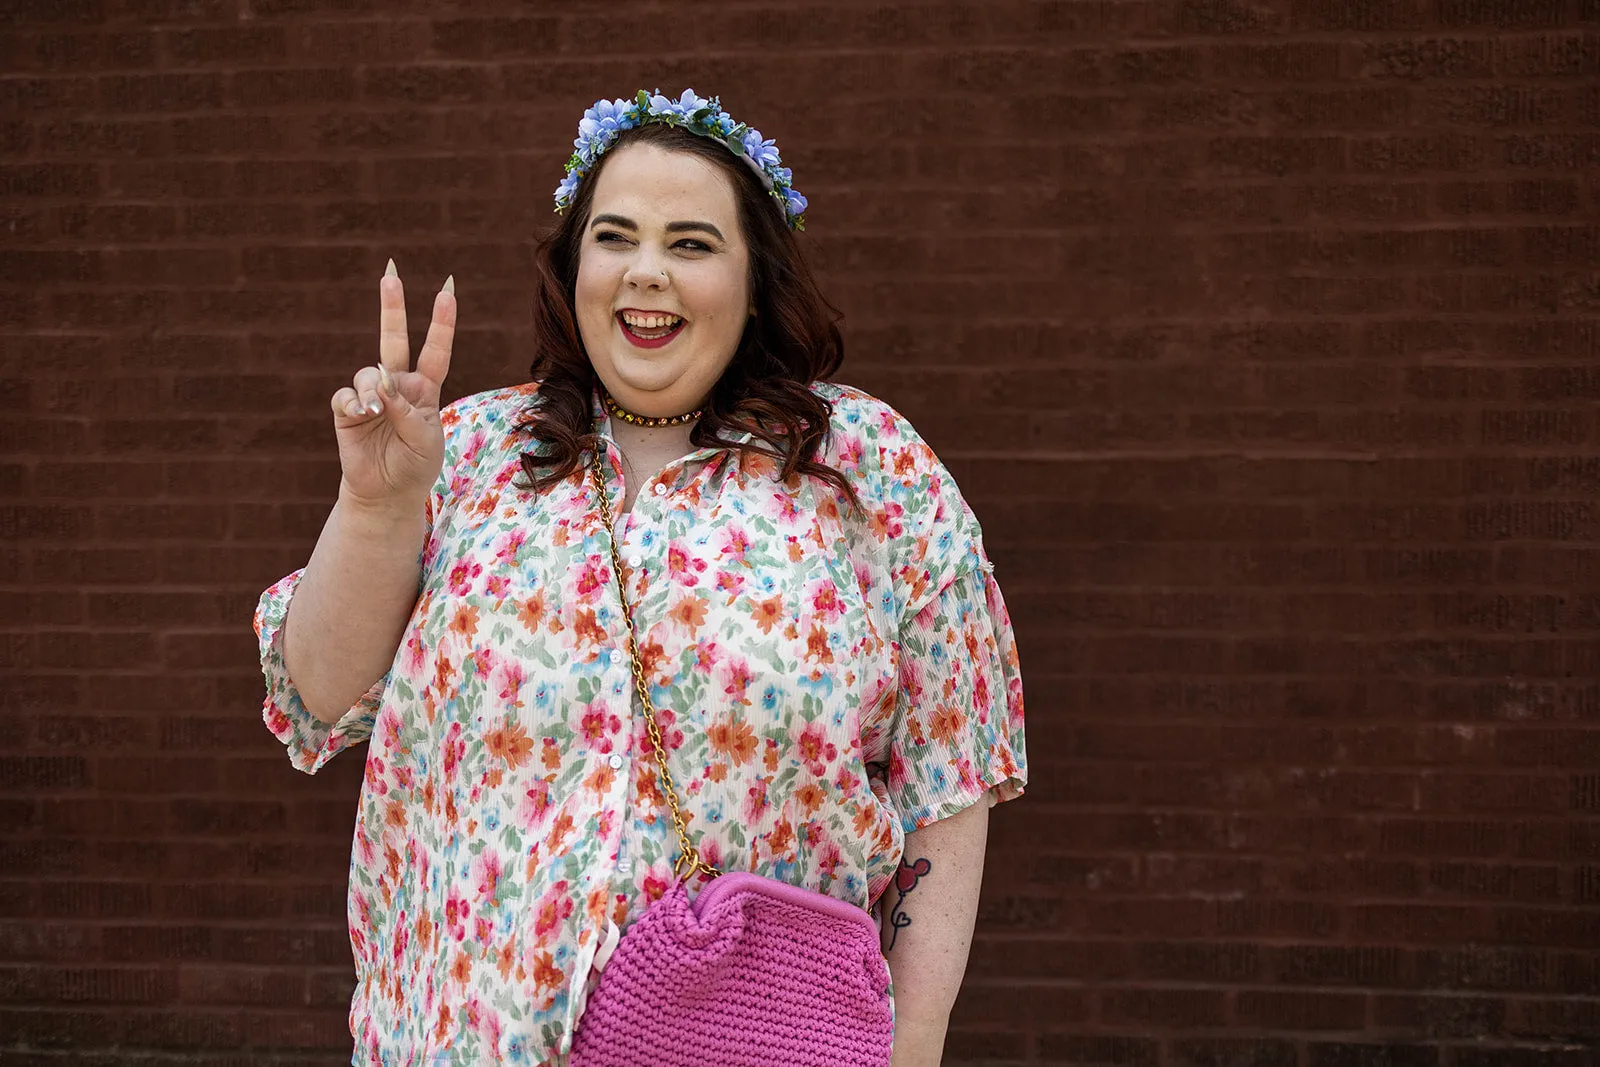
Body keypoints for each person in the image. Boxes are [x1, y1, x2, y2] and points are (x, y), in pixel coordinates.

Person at [253, 89, 1027, 1066]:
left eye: (692, 243)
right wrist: (375, 506)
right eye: (614, 236)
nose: (645, 272)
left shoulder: (871, 467)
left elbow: (948, 776)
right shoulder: (470, 453)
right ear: (576, 263)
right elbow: (315, 693)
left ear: (755, 282)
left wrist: (909, 1048)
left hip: (763, 1041)